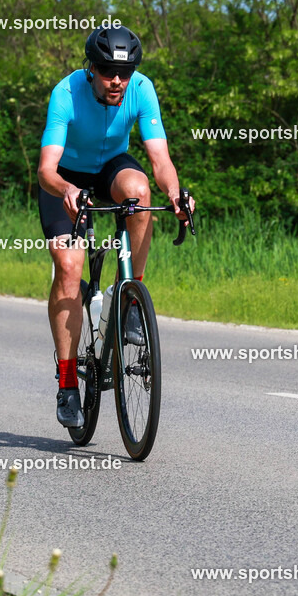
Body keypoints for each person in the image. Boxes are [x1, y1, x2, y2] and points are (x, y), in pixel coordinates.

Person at [37, 26, 193, 428]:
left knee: (140, 191)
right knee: (69, 269)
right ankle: (68, 382)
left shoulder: (142, 89)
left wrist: (175, 193)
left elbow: (159, 160)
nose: (117, 81)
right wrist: (68, 189)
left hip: (110, 168)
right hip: (65, 177)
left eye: (125, 72)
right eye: (108, 71)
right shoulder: (66, 93)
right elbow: (45, 170)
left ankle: (129, 299)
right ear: (91, 69)